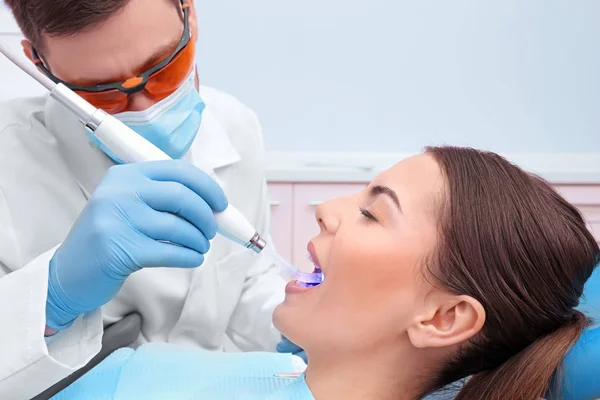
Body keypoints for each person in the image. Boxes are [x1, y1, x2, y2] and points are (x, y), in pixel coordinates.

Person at [50, 147, 600, 400]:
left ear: (444, 317)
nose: (324, 208)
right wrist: (51, 306)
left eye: (372, 212)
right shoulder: (154, 371)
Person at [0, 0, 290, 398]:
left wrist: (287, 324)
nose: (146, 108)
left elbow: (249, 280)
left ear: (188, 11)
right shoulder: (8, 161)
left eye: (164, 68)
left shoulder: (236, 123)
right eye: (101, 91)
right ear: (39, 63)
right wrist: (51, 302)